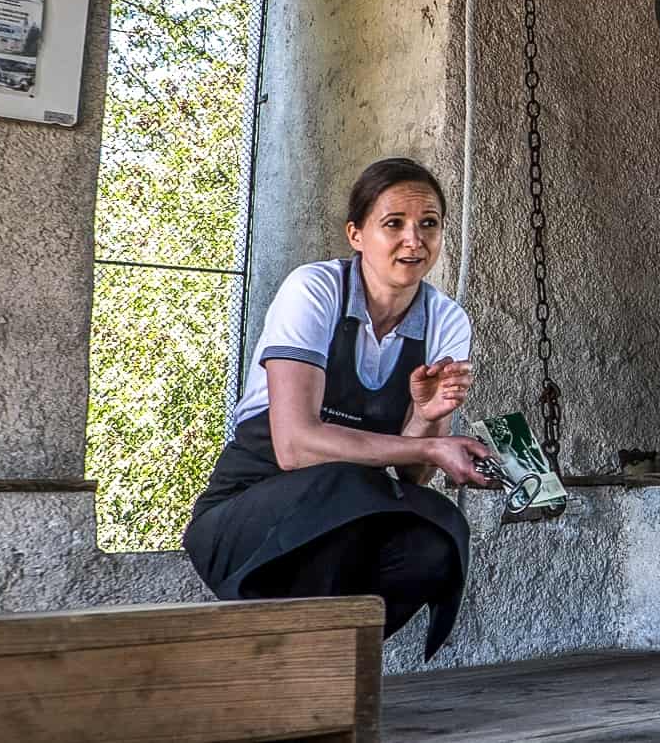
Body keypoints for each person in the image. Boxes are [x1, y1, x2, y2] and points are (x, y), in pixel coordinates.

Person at [183, 157, 495, 658]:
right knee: (347, 484)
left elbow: (412, 475)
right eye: (393, 224)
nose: (414, 241)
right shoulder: (315, 290)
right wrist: (435, 445)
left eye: (428, 224)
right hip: (247, 512)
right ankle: (294, 668)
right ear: (356, 234)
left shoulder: (446, 321)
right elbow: (294, 446)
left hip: (349, 514)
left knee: (437, 532)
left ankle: (332, 666)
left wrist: (426, 417)